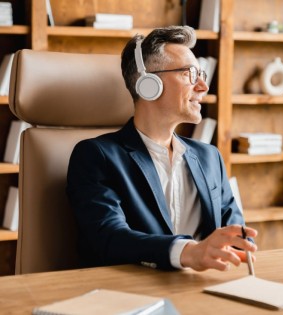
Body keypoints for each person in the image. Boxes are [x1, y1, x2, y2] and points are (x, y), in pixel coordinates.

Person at [66, 25, 257, 272]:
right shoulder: (96, 156)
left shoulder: (209, 157)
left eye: (202, 75)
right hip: (132, 295)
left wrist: (241, 246)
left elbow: (237, 237)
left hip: (206, 290)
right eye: (190, 73)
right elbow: (108, 238)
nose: (203, 86)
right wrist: (189, 252)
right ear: (148, 83)